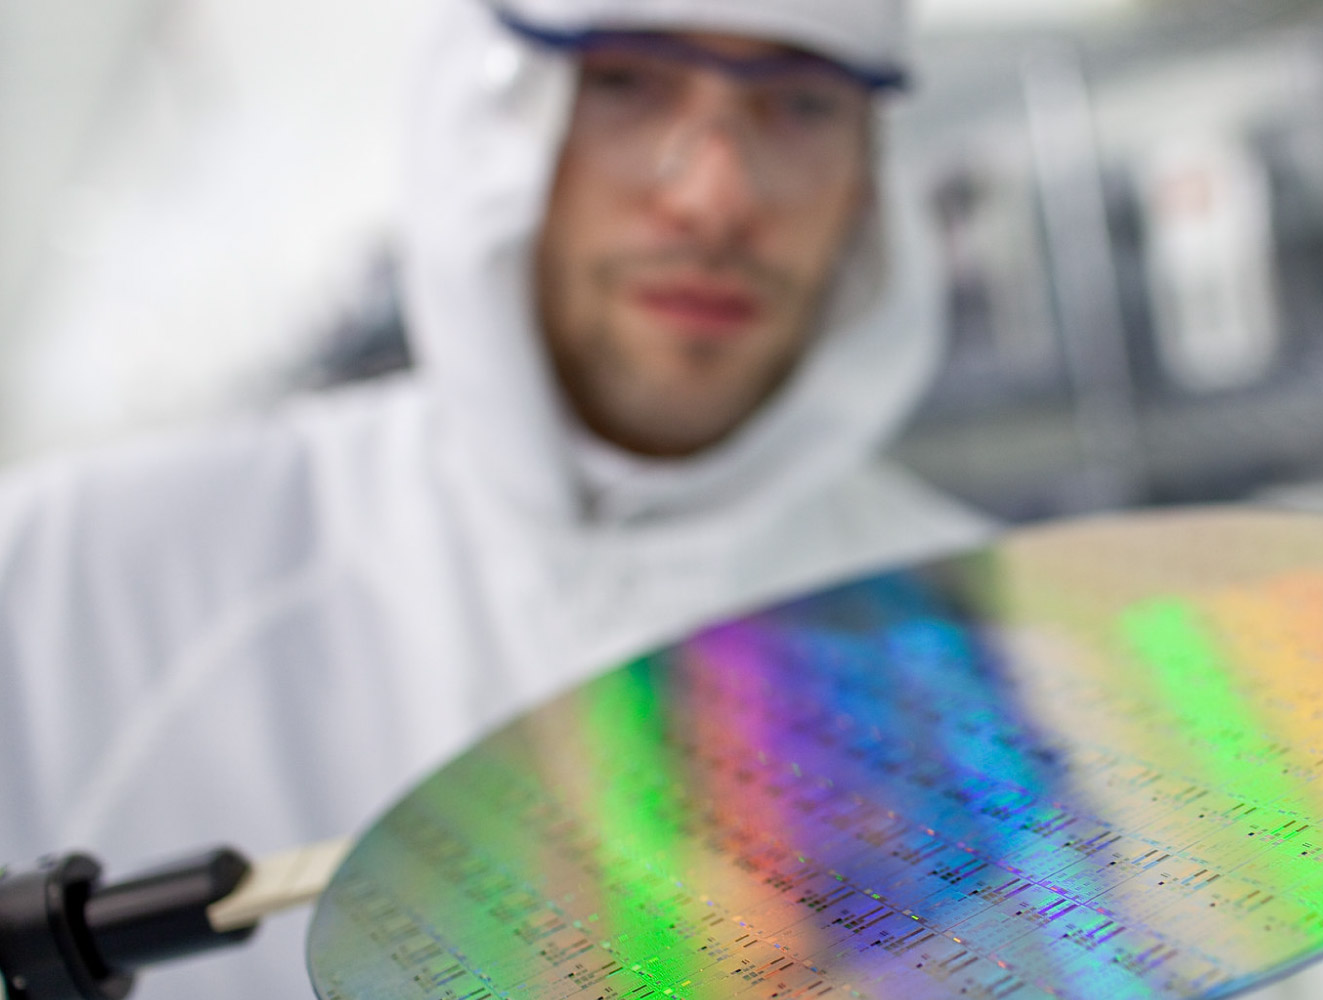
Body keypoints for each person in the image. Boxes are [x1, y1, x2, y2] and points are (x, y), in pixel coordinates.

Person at [0, 0, 990, 995]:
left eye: (801, 106)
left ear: (872, 171)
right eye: (625, 85)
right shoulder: (73, 586)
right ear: (484, 123)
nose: (714, 196)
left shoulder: (998, 648)